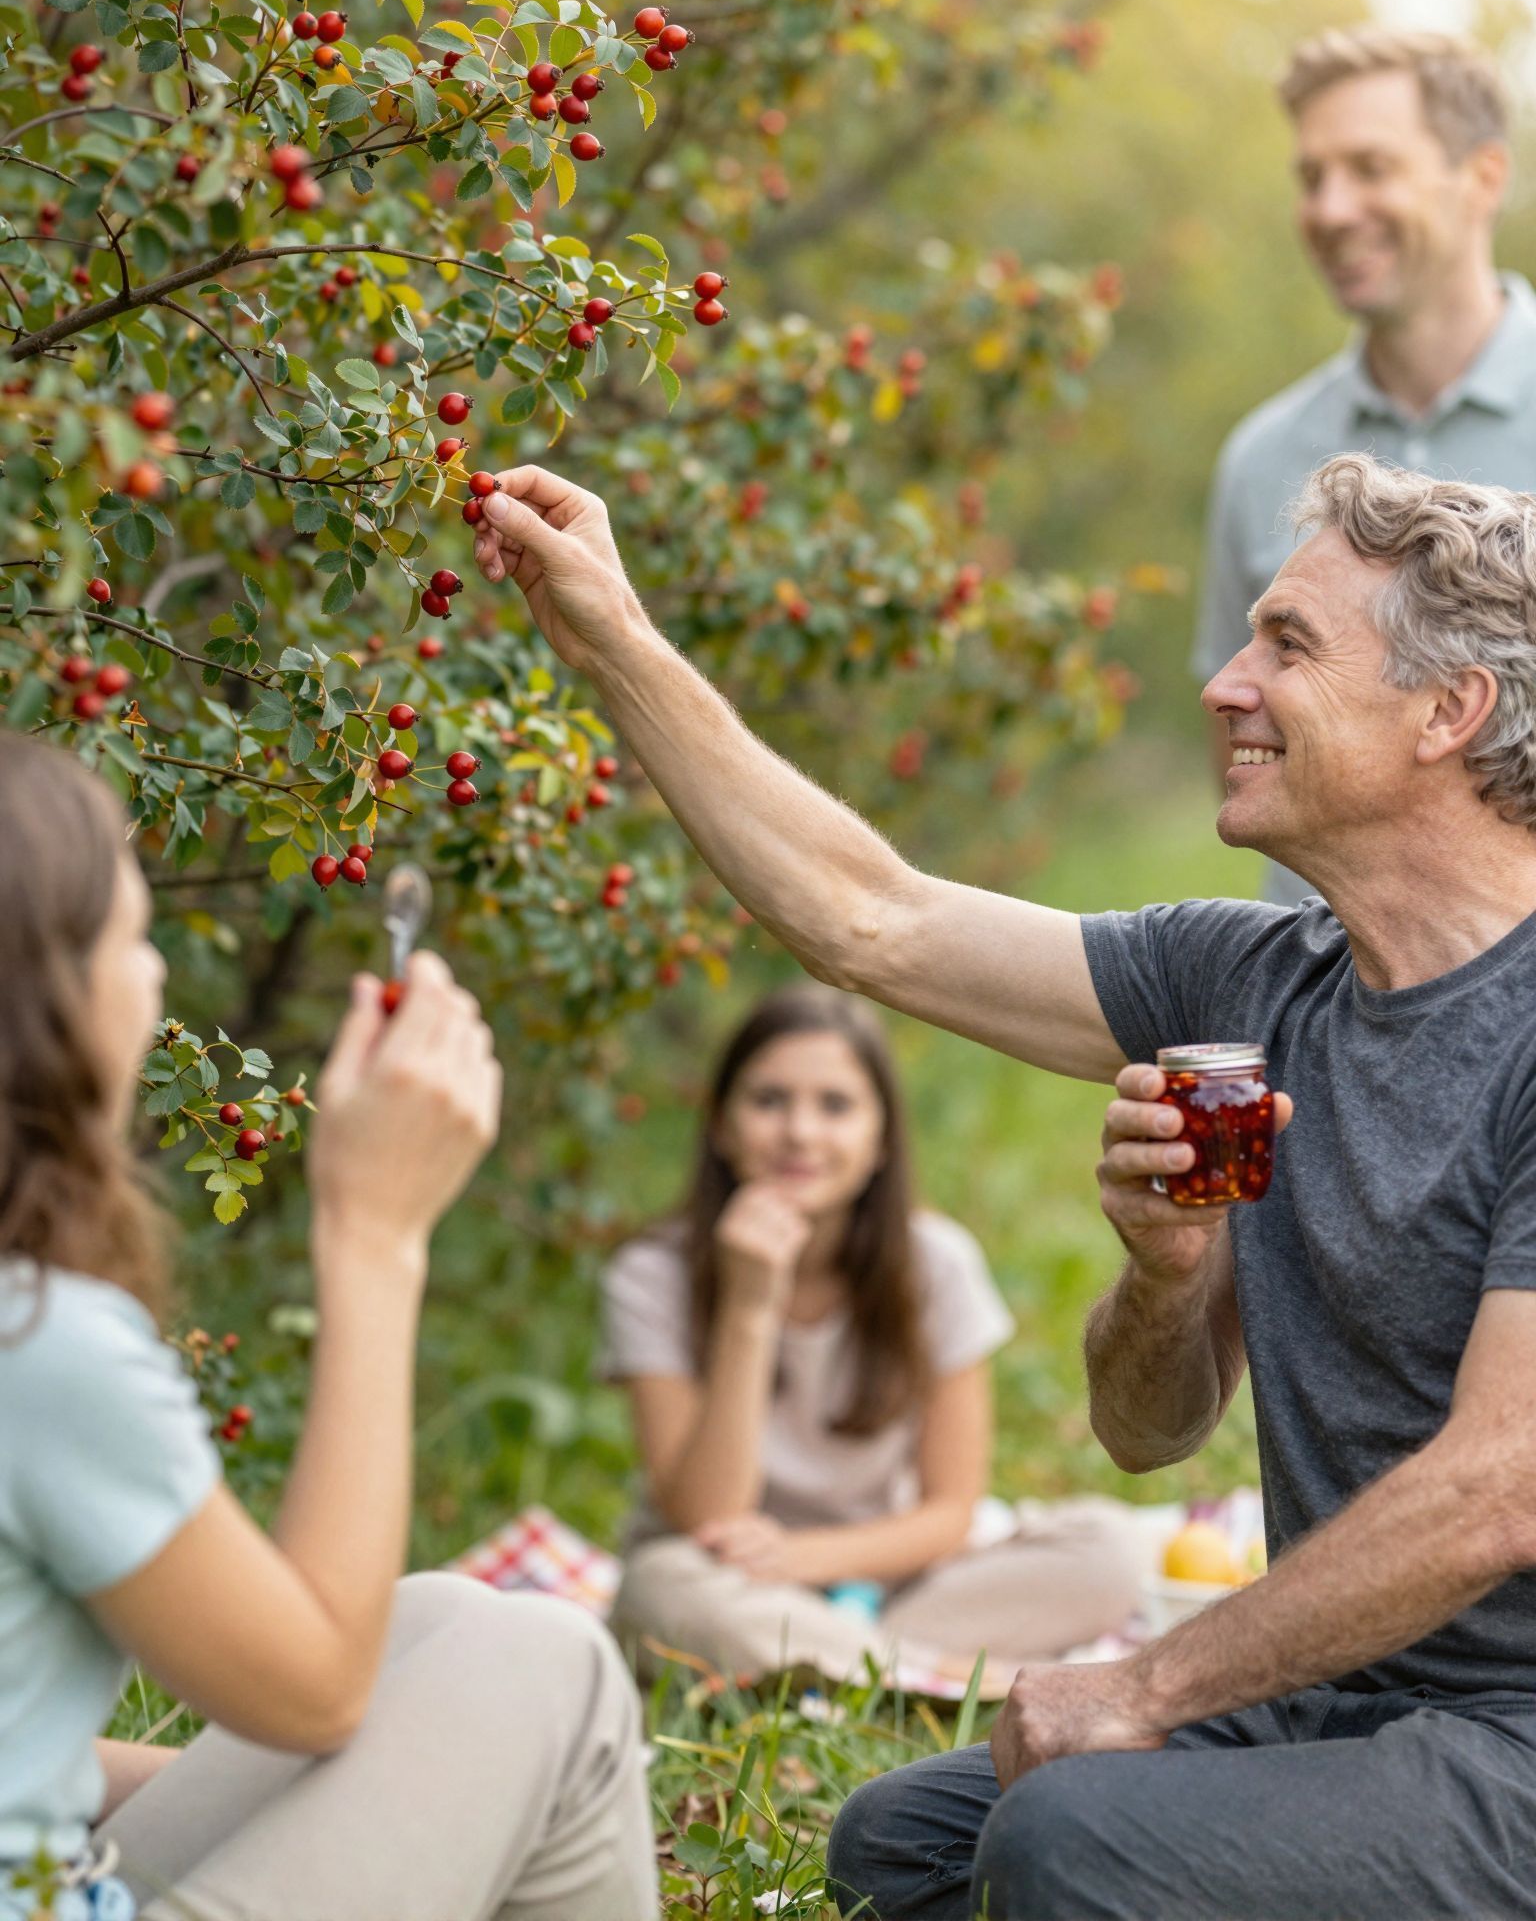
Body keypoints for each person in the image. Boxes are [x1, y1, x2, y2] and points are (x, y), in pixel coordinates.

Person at [467, 447, 1536, 1919]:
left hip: (1516, 1752)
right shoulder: (1246, 985)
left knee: (1062, 1841)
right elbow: (874, 923)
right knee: (906, 1841)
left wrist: (1151, 1682)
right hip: (1336, 1699)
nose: (1225, 683)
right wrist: (613, 638)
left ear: (1449, 710)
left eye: (1285, 644)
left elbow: (1500, 1490)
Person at [0, 735, 657, 1921]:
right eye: (135, 938)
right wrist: (375, 1236)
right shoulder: (37, 1340)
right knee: (549, 1669)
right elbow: (314, 1691)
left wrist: (362, 1793)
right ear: (44, 994)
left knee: (448, 1625)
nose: (153, 982)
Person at [603, 985, 1149, 1697]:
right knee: (656, 1588)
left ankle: (835, 1670)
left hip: (889, 1579)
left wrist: (803, 1559)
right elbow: (708, 1517)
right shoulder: (652, 1275)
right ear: (721, 1126)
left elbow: (951, 1511)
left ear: (880, 1139)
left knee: (1107, 1550)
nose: (800, 1132)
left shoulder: (936, 1264)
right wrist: (748, 1307)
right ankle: (937, 1680)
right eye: (768, 1101)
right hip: (722, 1580)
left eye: (835, 1105)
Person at [1193, 26, 1536, 903]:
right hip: (1332, 1015)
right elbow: (1241, 757)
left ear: (1483, 178)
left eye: (1371, 168)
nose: (1332, 208)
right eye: (1312, 177)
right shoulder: (1262, 456)